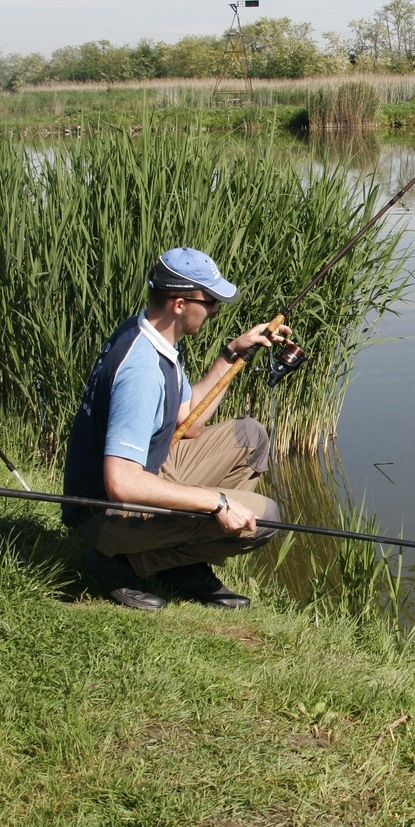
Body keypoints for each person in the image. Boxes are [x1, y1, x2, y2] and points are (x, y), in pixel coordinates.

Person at [63, 247, 289, 611]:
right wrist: (216, 502)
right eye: (211, 300)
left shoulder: (152, 336)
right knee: (264, 519)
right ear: (180, 303)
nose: (215, 309)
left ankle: (181, 560)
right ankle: (122, 563)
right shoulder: (142, 372)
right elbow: (121, 483)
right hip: (102, 513)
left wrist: (233, 353)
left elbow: (190, 422)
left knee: (250, 438)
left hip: (143, 474)